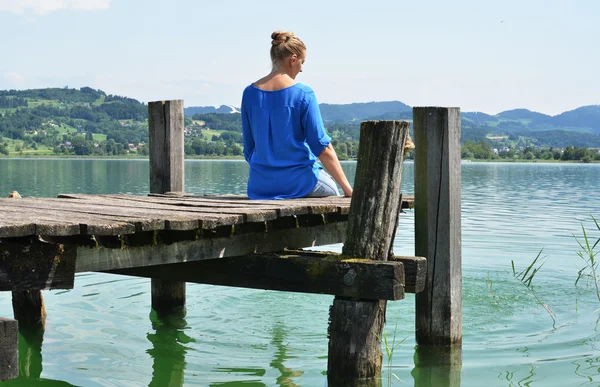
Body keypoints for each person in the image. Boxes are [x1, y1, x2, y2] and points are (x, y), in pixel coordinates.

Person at [241, 30, 353, 200]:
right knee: (333, 191)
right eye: (302, 62)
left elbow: (249, 149)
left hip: (259, 186)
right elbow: (322, 147)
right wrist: (349, 190)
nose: (301, 69)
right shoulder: (303, 94)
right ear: (293, 60)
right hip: (300, 182)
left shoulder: (249, 93)